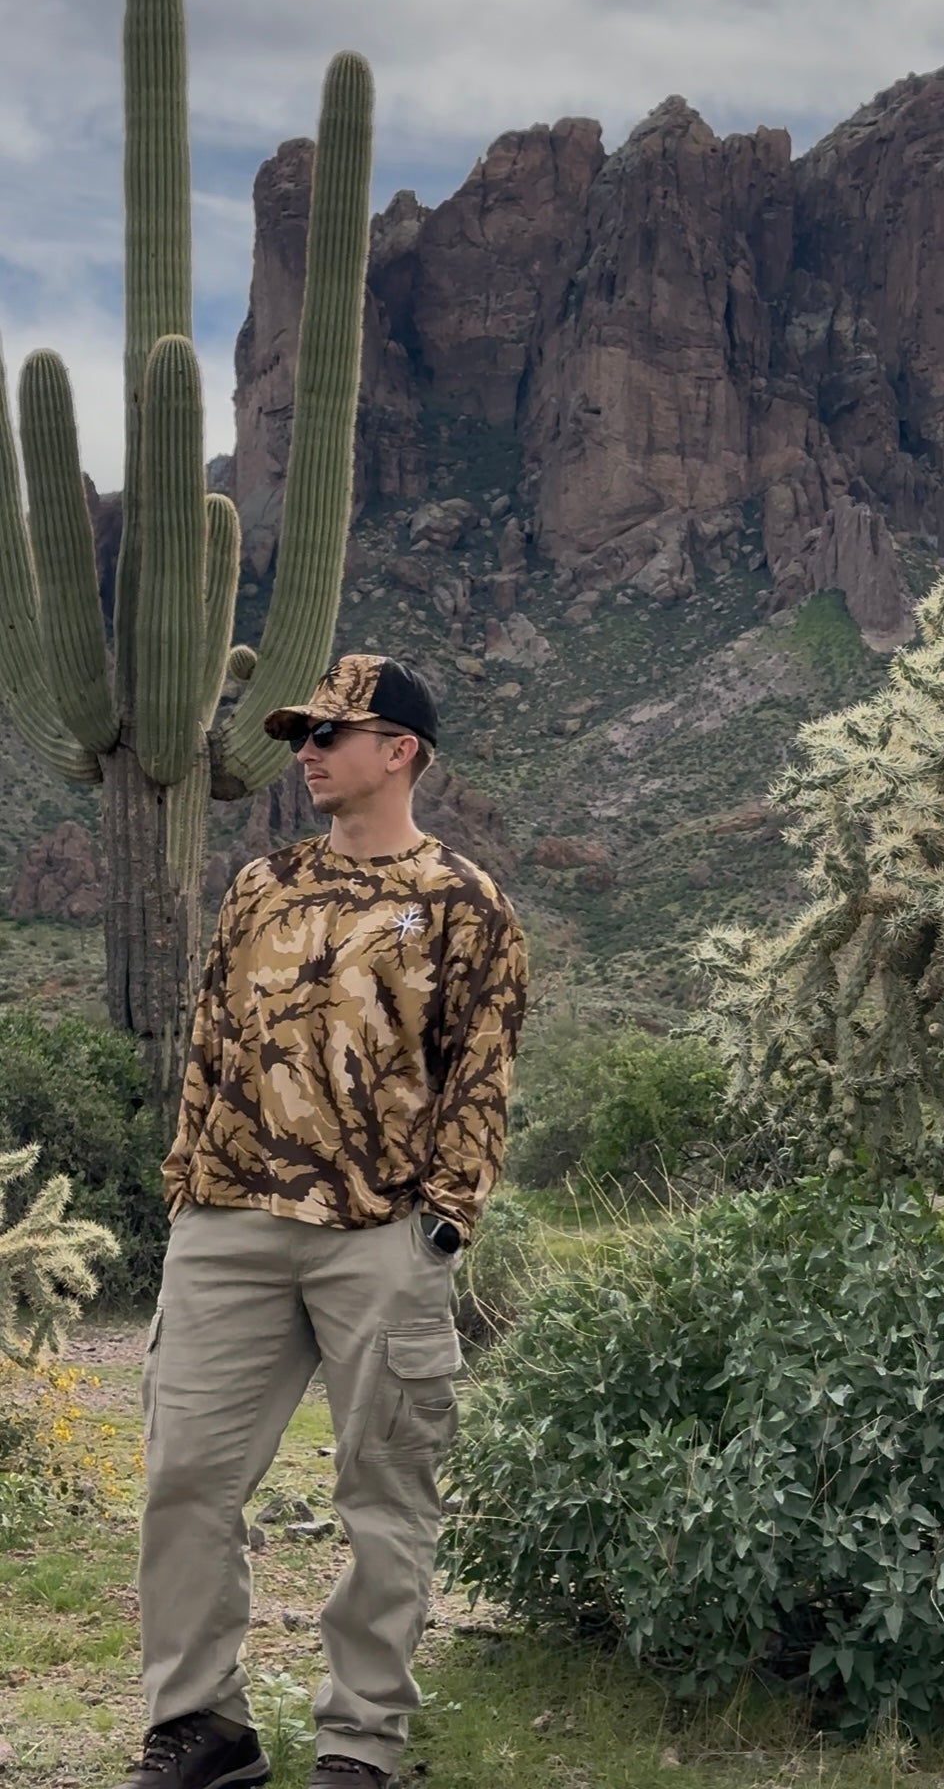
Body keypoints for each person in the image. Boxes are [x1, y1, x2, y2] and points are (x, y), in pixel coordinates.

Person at [116, 654, 528, 1789]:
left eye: (332, 732)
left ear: (399, 751)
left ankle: (360, 1742)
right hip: (230, 1226)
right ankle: (202, 1728)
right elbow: (207, 1037)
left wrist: (441, 1227)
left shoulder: (467, 905)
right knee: (185, 1476)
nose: (307, 748)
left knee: (384, 1496)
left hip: (379, 1239)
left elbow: (480, 1080)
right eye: (303, 731)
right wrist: (187, 1182)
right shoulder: (263, 884)